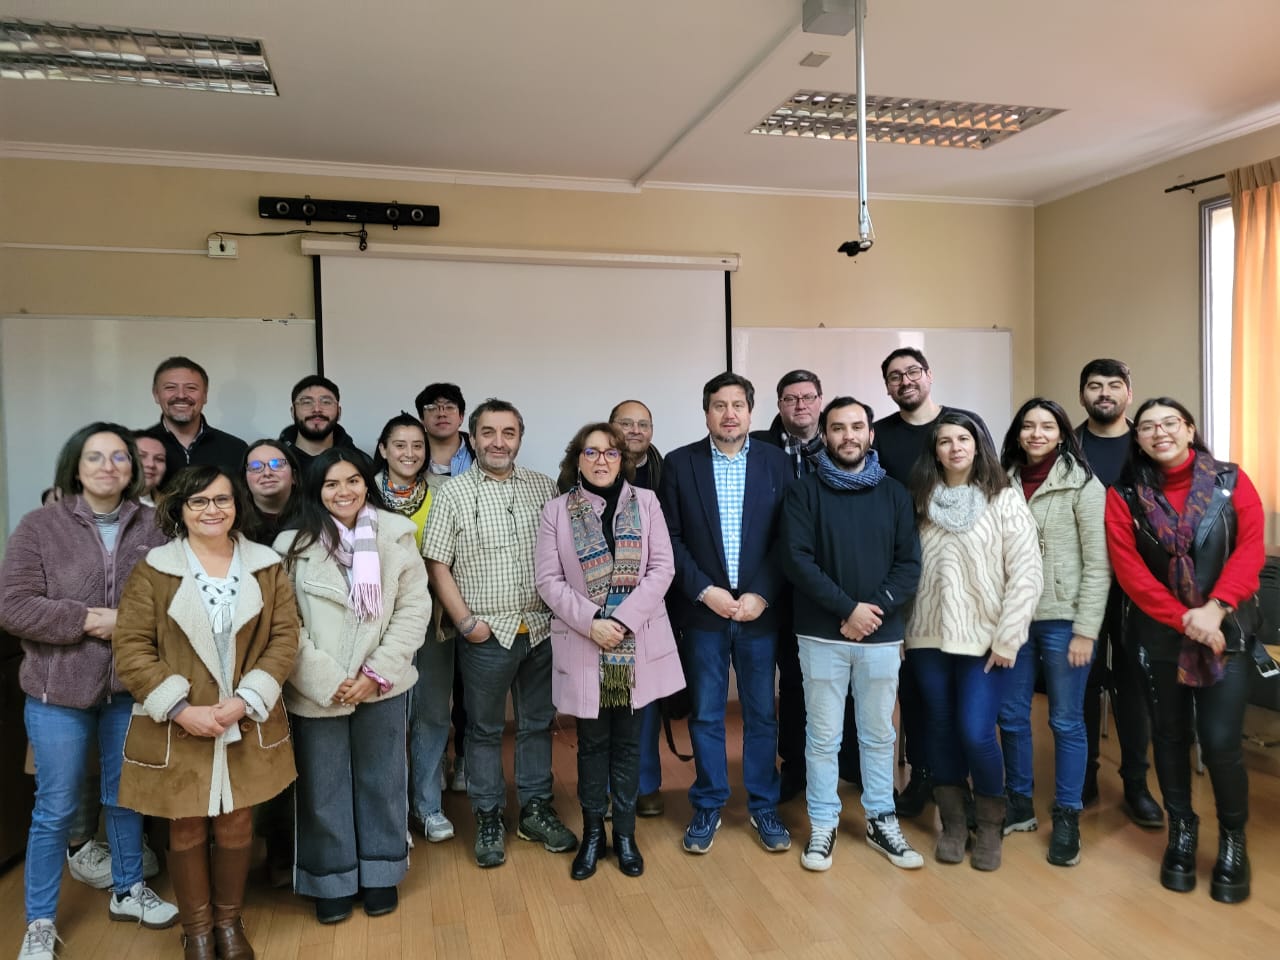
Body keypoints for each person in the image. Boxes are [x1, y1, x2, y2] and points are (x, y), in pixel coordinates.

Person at [0, 423, 177, 960]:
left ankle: (127, 889)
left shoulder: (156, 526)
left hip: (131, 688)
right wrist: (89, 619)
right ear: (75, 467)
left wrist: (122, 622)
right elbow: (14, 606)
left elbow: (173, 602)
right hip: (58, 693)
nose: (108, 466)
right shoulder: (39, 526)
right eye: (95, 457)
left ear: (134, 468)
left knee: (125, 797)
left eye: (119, 457)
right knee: (54, 808)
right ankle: (39, 921)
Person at [114, 466, 300, 960]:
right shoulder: (154, 568)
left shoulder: (266, 564)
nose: (212, 510)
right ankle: (196, 930)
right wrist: (178, 708)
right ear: (180, 510)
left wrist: (246, 699)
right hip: (181, 722)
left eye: (222, 500)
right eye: (198, 502)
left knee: (239, 821)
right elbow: (131, 645)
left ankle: (229, 922)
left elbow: (285, 638)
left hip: (245, 716)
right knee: (187, 822)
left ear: (237, 505)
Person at [1105, 398, 1265, 903]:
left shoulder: (1232, 480)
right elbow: (1130, 573)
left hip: (1226, 632)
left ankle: (1234, 842)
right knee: (1169, 738)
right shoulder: (1124, 494)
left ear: (1189, 429)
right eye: (1148, 427)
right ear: (1138, 439)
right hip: (1158, 636)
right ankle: (1183, 831)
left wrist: (1214, 610)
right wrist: (1186, 620)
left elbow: (1251, 549)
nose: (1159, 433)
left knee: (1219, 743)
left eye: (1169, 423)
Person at [276, 448, 430, 923]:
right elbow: (285, 622)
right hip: (317, 687)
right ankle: (332, 879)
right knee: (322, 787)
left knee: (382, 780)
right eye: (331, 484)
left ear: (368, 483)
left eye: (353, 481)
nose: (343, 492)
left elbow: (413, 610)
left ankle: (381, 873)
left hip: (382, 683)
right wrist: (327, 679)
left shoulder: (396, 536)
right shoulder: (290, 546)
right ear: (315, 491)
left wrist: (373, 674)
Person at [422, 399, 578, 869]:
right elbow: (437, 563)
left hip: (542, 630)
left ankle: (534, 809)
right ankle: (488, 815)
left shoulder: (543, 488)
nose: (498, 442)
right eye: (488, 432)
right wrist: (466, 621)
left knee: (535, 725)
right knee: (485, 730)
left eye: (508, 433)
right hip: (486, 633)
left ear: (519, 438)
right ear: (472, 438)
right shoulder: (452, 493)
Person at [779, 397, 923, 872]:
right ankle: (823, 823)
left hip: (881, 636)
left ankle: (882, 819)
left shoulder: (895, 494)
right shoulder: (803, 491)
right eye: (838, 428)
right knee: (822, 738)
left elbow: (909, 566)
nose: (848, 436)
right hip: (821, 635)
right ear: (825, 433)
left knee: (879, 734)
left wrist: (872, 611)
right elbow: (797, 561)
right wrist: (847, 609)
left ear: (871, 434)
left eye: (857, 426)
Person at [534, 422, 683, 880]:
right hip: (586, 646)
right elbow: (548, 581)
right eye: (592, 452)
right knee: (593, 745)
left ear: (625, 459)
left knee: (629, 745)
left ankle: (626, 836)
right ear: (577, 459)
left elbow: (662, 570)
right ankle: (594, 832)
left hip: (633, 645)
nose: (602, 460)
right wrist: (592, 623)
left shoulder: (648, 503)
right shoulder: (556, 511)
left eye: (611, 453)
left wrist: (619, 621)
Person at [659, 372, 793, 855]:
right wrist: (703, 591)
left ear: (752, 412)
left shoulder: (777, 463)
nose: (729, 413)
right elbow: (670, 538)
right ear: (707, 412)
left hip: (759, 612)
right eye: (719, 405)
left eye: (738, 404)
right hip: (705, 613)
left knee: (761, 714)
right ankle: (709, 802)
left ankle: (763, 805)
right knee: (708, 713)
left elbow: (788, 539)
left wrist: (762, 593)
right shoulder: (679, 464)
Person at [905, 410, 1041, 871]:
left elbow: (1026, 572)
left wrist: (1009, 636)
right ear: (935, 450)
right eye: (944, 441)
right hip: (927, 638)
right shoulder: (919, 498)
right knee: (939, 729)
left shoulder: (1003, 499)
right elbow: (906, 568)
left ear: (978, 444)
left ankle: (989, 823)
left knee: (976, 731)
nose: (955, 447)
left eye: (963, 438)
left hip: (985, 642)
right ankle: (954, 822)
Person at [873, 348, 992, 818]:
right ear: (886, 386)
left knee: (966, 702)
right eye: (894, 376)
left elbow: (987, 488)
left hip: (967, 586)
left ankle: (966, 786)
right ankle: (925, 777)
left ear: (929, 376)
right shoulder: (879, 435)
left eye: (913, 372)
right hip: (910, 584)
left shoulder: (962, 425)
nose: (905, 381)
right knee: (919, 695)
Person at [996, 399, 1110, 867]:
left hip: (1064, 620)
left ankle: (1067, 814)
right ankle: (1018, 803)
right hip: (1012, 620)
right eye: (1028, 426)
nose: (1036, 433)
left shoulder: (1082, 483)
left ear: (1062, 434)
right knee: (1012, 715)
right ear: (1018, 433)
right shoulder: (1000, 481)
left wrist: (1086, 631)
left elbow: (1098, 564)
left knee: (1065, 720)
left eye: (1046, 426)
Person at [1075, 358, 1162, 826]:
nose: (1104, 393)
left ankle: (1135, 784)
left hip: (1138, 588)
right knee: (1082, 685)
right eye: (1094, 386)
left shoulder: (1148, 445)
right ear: (1082, 394)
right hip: (1079, 585)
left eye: (1113, 385)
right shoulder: (1068, 446)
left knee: (1133, 686)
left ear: (1129, 392)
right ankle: (1084, 778)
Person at [371, 414, 454, 844]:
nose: (409, 453)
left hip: (433, 622)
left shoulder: (444, 493)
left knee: (433, 714)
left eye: (417, 445)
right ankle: (392, 813)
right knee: (387, 719)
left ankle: (427, 806)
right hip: (378, 628)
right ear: (383, 449)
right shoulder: (360, 494)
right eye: (399, 444)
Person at [750, 370, 827, 805]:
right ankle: (789, 765)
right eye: (790, 399)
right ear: (778, 404)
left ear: (820, 400)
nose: (800, 406)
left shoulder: (839, 444)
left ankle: (821, 763)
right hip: (768, 583)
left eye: (808, 397)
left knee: (808, 680)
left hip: (820, 586)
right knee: (776, 681)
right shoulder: (757, 446)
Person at [416, 381, 475, 792]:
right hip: (424, 596)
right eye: (432, 407)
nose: (441, 412)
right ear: (421, 416)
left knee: (471, 690)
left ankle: (468, 760)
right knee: (431, 693)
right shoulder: (408, 458)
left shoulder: (482, 456)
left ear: (461, 415)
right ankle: (432, 766)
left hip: (476, 587)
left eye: (449, 406)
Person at [608, 398, 666, 817]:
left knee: (646, 700)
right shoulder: (586, 472)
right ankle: (608, 789)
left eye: (642, 423)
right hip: (600, 610)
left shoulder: (670, 473)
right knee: (609, 701)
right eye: (625, 423)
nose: (634, 430)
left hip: (655, 604)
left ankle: (644, 785)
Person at [149, 356, 247, 480]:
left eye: (191, 388)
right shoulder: (136, 449)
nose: (181, 395)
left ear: (205, 395)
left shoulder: (236, 449)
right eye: (170, 387)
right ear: (156, 394)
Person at [278, 375, 363, 475]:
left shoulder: (360, 462)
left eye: (326, 402)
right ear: (293, 412)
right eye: (307, 402)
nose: (317, 409)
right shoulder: (274, 463)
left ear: (339, 412)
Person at [241, 440, 301, 546]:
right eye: (256, 467)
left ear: (294, 476)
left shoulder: (317, 520)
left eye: (277, 464)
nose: (267, 473)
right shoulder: (233, 525)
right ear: (245, 480)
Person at [611, 399, 664, 492]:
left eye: (643, 425)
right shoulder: (588, 467)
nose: (636, 431)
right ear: (609, 428)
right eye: (626, 424)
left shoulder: (667, 473)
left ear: (652, 431)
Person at [134, 428, 169, 506]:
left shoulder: (171, 509)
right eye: (141, 456)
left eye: (159, 459)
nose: (151, 464)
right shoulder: (106, 506)